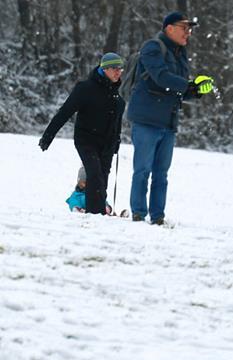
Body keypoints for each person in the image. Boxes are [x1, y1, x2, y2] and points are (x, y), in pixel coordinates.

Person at [126, 12, 215, 225]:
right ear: (169, 28)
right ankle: (138, 213)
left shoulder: (181, 54)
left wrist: (197, 90)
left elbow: (177, 88)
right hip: (146, 119)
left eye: (190, 29)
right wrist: (189, 85)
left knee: (161, 174)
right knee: (142, 170)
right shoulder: (152, 47)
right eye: (184, 28)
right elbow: (162, 78)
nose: (188, 32)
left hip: (168, 121)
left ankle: (158, 216)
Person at [39, 52, 126, 215]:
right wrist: (48, 136)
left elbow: (117, 126)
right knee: (94, 174)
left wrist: (116, 143)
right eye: (114, 68)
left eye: (120, 69)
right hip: (86, 140)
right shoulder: (85, 89)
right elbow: (64, 112)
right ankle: (95, 214)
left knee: (103, 178)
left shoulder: (118, 99)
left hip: (107, 144)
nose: (118, 72)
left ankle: (99, 212)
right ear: (104, 69)